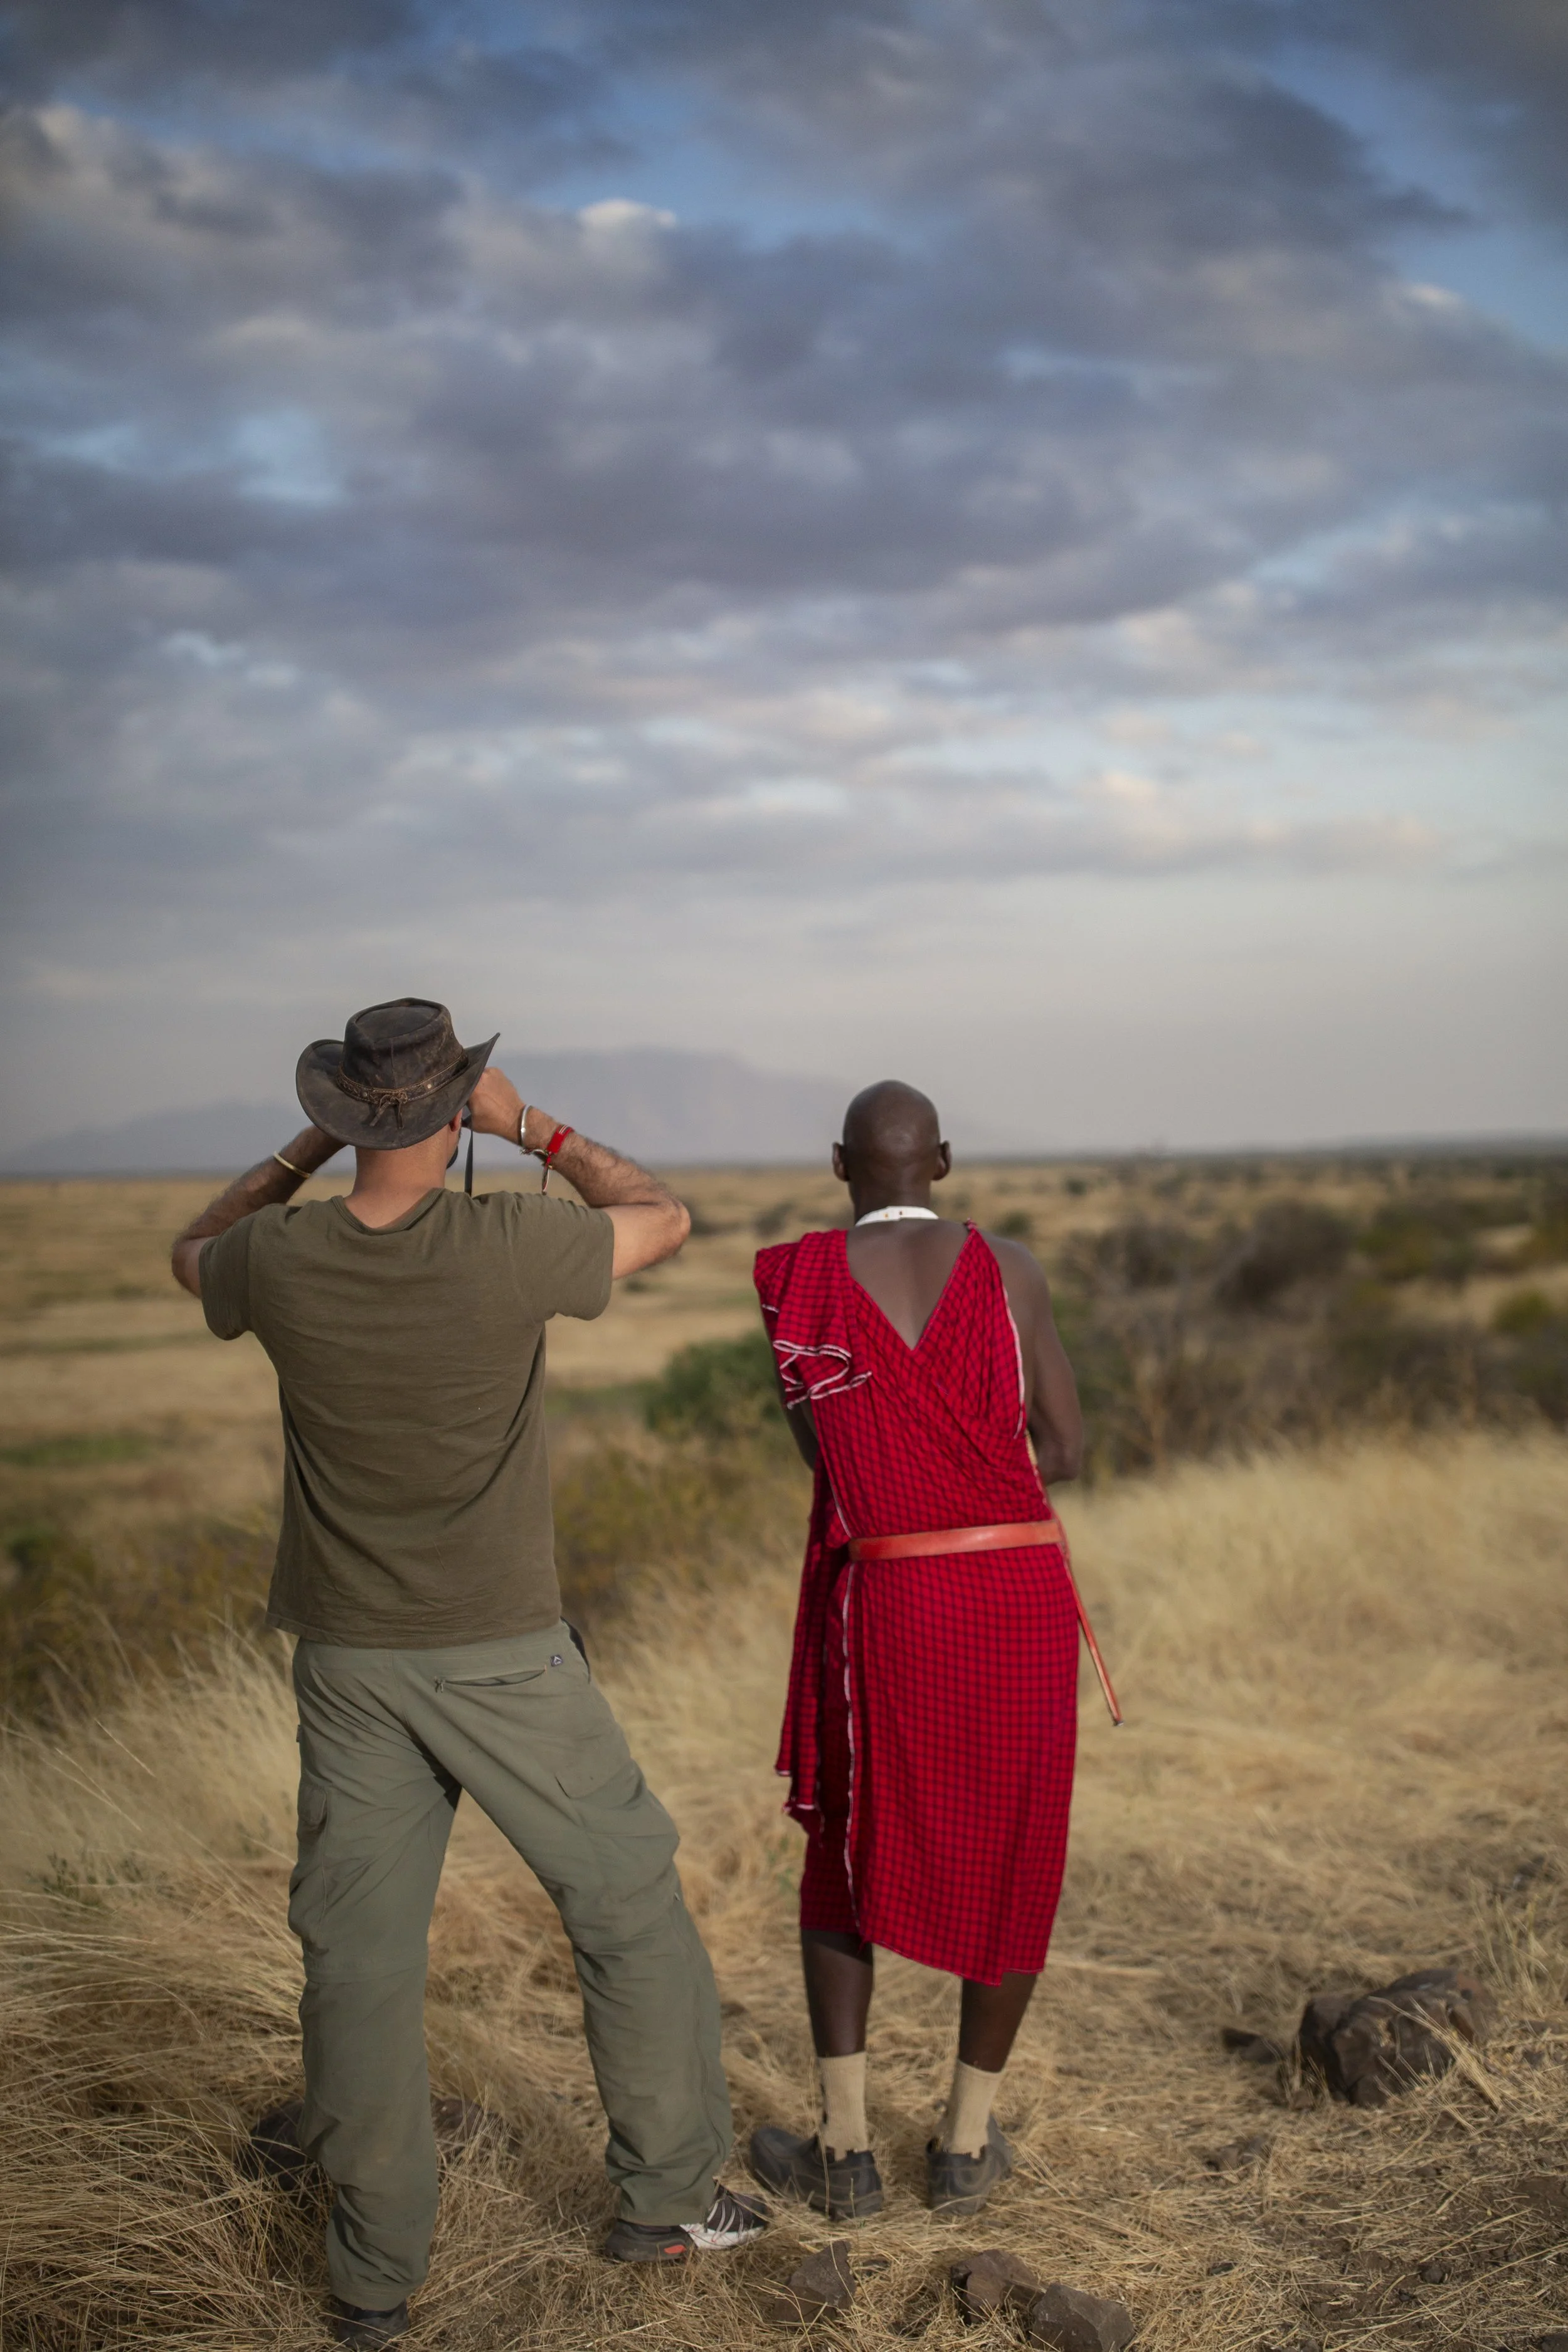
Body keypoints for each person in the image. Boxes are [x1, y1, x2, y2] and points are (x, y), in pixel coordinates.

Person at [171, 999, 766, 2349]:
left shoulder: (280, 1259)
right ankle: (665, 2201)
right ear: (454, 1114)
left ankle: (373, 2279)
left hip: (347, 1663)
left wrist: (298, 1160)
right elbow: (662, 1217)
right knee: (624, 1901)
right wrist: (533, 1128)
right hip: (501, 1652)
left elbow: (188, 1248)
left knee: (360, 1964)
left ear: (342, 1116)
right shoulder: (514, 1237)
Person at [748, 1081, 1086, 2223]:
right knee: (1015, 1843)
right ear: (941, 1158)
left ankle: (845, 2156)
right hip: (1012, 1590)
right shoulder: (1012, 1270)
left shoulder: (794, 1284)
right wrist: (980, 1480)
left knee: (849, 1843)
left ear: (840, 1162)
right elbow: (1070, 1446)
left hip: (883, 1598)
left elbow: (831, 1455)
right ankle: (963, 2144)